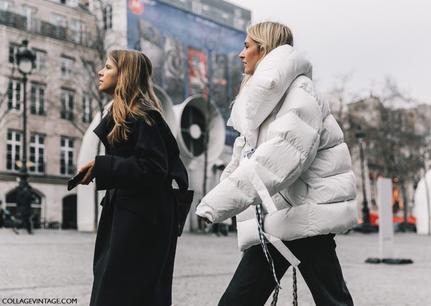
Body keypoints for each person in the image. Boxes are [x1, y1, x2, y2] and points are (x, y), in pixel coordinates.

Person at [196, 21, 358, 306]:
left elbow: (281, 157)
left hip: (304, 215)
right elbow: (243, 159)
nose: (240, 54)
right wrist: (217, 199)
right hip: (279, 217)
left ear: (264, 49)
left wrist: (216, 203)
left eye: (247, 46)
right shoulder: (263, 102)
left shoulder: (299, 92)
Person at [78, 49, 189, 306]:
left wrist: (104, 167)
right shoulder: (126, 114)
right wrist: (101, 168)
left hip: (141, 223)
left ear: (124, 74)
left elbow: (153, 167)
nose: (100, 72)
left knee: (122, 292)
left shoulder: (142, 115)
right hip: (130, 216)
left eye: (107, 67)